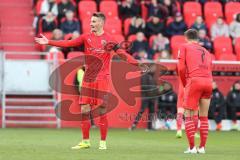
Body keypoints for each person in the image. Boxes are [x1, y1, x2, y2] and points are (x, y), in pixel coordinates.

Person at [35, 12, 146, 150]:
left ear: (100, 23)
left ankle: (103, 142)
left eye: (93, 22)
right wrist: (49, 41)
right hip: (88, 79)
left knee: (102, 111)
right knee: (84, 109)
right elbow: (69, 43)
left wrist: (136, 64)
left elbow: (122, 55)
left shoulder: (110, 40)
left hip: (103, 79)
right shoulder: (86, 37)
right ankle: (85, 141)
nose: (91, 24)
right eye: (91, 22)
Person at [178, 29, 213, 154]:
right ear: (198, 38)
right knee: (204, 117)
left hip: (194, 81)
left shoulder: (184, 47)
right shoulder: (207, 51)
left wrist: (184, 83)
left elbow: (181, 68)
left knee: (188, 115)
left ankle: (192, 148)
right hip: (208, 82)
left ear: (185, 37)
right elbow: (210, 68)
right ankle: (202, 147)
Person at [129, 64, 157, 131]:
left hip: (152, 98)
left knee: (151, 112)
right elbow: (144, 87)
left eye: (155, 68)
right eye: (153, 67)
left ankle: (149, 127)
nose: (154, 69)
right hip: (146, 97)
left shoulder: (153, 77)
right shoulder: (144, 75)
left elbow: (155, 88)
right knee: (141, 111)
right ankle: (134, 125)